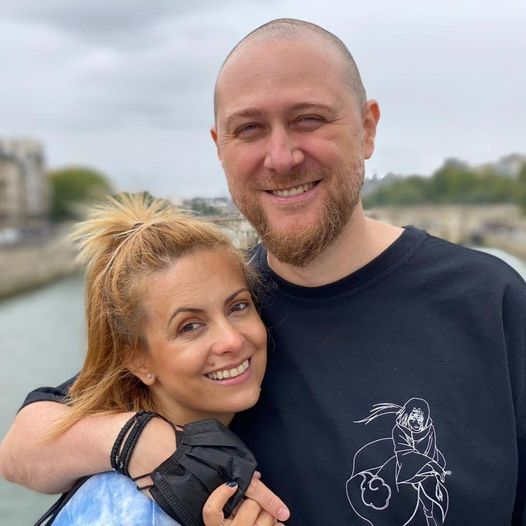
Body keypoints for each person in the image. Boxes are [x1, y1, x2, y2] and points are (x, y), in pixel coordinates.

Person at [1, 17, 526, 525]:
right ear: (220, 149)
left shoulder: (489, 301)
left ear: (367, 130)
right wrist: (139, 442)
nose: (281, 156)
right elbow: (25, 446)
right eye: (249, 129)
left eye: (309, 119)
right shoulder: (223, 308)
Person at [23, 192, 288, 526]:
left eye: (238, 306)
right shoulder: (131, 511)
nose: (231, 341)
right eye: (190, 326)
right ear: (138, 362)